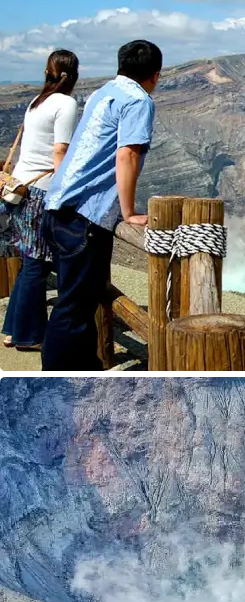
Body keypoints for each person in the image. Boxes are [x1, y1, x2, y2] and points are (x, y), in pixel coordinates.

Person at [41, 39, 162, 375]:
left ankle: (86, 371)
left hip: (58, 207)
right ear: (155, 74)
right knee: (74, 308)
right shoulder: (139, 100)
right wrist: (128, 213)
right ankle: (54, 384)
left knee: (73, 301)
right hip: (85, 214)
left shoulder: (102, 92)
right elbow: (128, 154)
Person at [1, 50, 79, 351]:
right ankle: (27, 335)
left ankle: (13, 328)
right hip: (42, 190)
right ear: (73, 74)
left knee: (30, 261)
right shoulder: (66, 103)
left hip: (22, 187)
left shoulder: (37, 102)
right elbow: (60, 150)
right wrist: (64, 191)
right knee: (38, 264)